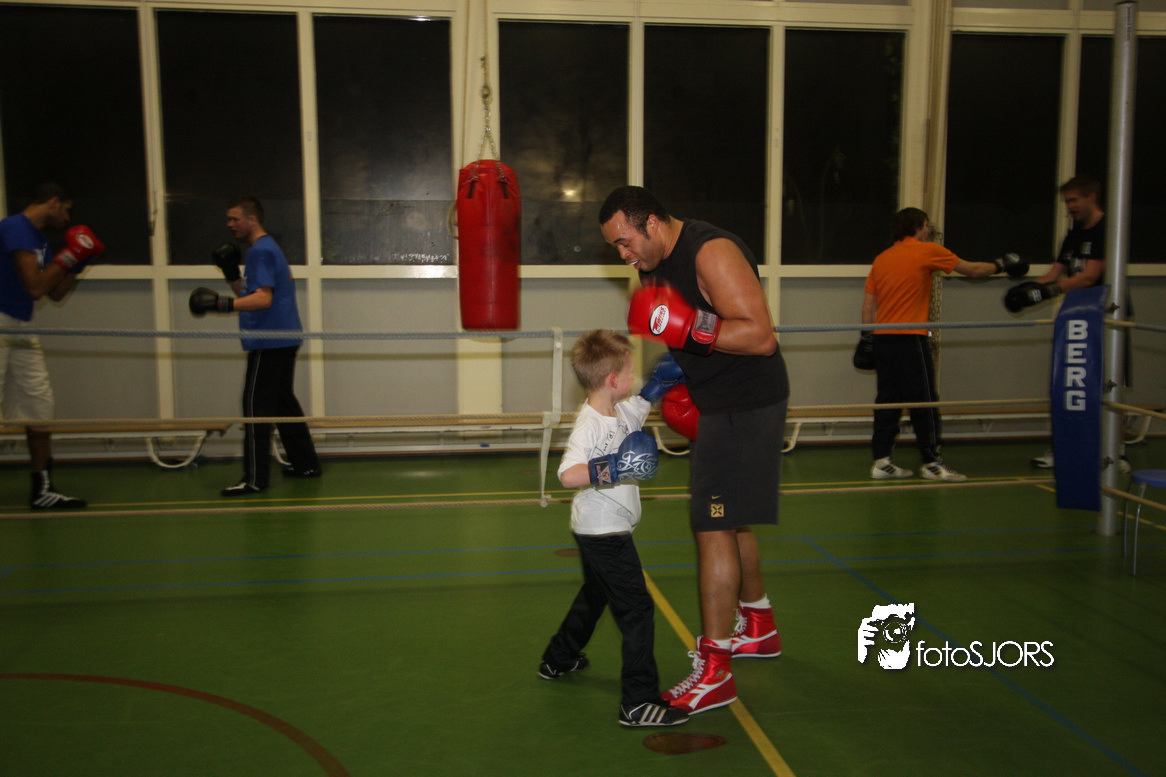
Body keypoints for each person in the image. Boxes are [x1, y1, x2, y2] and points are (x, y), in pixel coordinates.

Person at [599, 186, 787, 716]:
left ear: (653, 223)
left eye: (626, 241)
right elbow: (686, 329)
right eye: (615, 247)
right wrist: (678, 367)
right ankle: (759, 625)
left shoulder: (711, 252)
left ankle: (715, 671)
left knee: (711, 525)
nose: (623, 254)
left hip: (744, 405)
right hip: (718, 400)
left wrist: (689, 329)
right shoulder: (652, 263)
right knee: (732, 519)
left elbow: (759, 336)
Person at [539, 329, 689, 728]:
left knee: (596, 594)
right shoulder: (589, 424)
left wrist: (659, 385)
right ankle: (638, 702)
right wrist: (615, 468)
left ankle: (558, 658)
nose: (634, 377)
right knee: (637, 609)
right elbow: (568, 474)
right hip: (604, 532)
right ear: (612, 379)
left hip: (599, 527)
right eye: (630, 371)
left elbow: (640, 405)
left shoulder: (620, 411)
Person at [189, 196, 320, 495]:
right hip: (282, 337)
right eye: (228, 219)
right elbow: (250, 294)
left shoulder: (261, 251)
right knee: (283, 404)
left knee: (255, 407)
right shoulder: (266, 248)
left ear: (252, 219)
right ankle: (307, 464)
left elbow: (263, 299)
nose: (230, 224)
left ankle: (255, 479)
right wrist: (231, 274)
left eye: (235, 219)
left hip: (269, 340)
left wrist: (220, 305)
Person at [862, 207, 1001, 483]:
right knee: (924, 399)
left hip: (883, 338)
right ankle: (932, 463)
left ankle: (881, 461)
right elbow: (974, 270)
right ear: (919, 226)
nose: (928, 231)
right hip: (910, 337)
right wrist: (1002, 264)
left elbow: (868, 307)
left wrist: (867, 340)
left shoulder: (882, 258)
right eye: (927, 226)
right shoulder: (927, 250)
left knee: (887, 400)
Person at [0, 183, 104, 509]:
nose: (67, 219)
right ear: (54, 203)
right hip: (0, 320)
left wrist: (78, 263)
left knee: (40, 404)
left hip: (21, 324)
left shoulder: (40, 239)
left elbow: (54, 293)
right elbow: (34, 286)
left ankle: (42, 488)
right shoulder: (15, 227)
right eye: (66, 210)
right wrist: (70, 254)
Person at [1004, 176, 1106, 470]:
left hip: (1106, 314)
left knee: (1106, 383)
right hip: (1076, 316)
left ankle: (1115, 451)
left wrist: (1049, 292)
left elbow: (1089, 276)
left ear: (1091, 197)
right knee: (1071, 381)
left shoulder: (1107, 230)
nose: (1069, 207)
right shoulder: (1074, 234)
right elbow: (1054, 273)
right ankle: (1065, 446)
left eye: (1073, 200)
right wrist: (1025, 290)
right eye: (1066, 202)